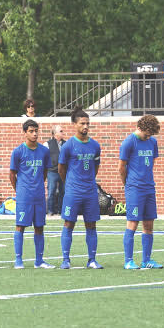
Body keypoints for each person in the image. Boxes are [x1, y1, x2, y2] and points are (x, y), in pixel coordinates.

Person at [58, 108, 102, 269]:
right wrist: (69, 183)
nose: (86, 126)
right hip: (73, 192)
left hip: (90, 192)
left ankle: (92, 260)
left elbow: (95, 167)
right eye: (82, 123)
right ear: (74, 124)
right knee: (69, 224)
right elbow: (61, 168)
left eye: (87, 123)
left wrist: (88, 180)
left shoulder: (95, 146)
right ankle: (65, 260)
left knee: (91, 225)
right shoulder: (68, 146)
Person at [119, 114, 162, 270]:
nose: (148, 136)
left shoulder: (152, 142)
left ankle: (146, 260)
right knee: (133, 223)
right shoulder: (129, 142)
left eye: (151, 134)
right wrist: (128, 185)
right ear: (140, 128)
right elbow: (121, 168)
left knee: (149, 224)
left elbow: (150, 164)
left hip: (149, 188)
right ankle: (128, 260)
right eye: (147, 133)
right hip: (134, 188)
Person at [10, 119, 53, 268]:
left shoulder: (44, 151)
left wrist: (38, 185)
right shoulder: (18, 152)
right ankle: (18, 260)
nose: (35, 134)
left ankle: (39, 261)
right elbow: (12, 174)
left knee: (39, 227)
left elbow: (45, 172)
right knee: (20, 226)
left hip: (39, 195)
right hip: (24, 196)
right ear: (25, 133)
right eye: (31, 131)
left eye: (36, 131)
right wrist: (20, 190)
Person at [46, 125, 65, 215]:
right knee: (51, 191)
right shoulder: (47, 144)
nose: (63, 133)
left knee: (63, 191)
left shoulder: (66, 144)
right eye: (61, 131)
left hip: (64, 172)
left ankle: (61, 210)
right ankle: (50, 210)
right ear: (55, 134)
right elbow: (44, 158)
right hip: (52, 171)